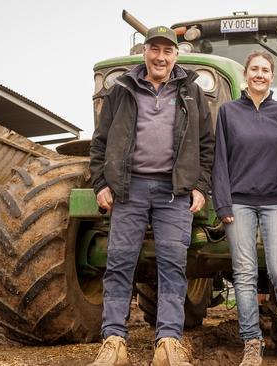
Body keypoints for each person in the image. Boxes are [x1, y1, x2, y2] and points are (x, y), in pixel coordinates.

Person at [88, 25, 214, 366]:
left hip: (174, 192)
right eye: (154, 50)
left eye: (167, 51)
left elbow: (206, 145)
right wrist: (101, 182)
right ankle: (114, 342)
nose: (160, 57)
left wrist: (201, 186)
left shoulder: (191, 91)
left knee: (173, 265)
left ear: (176, 55)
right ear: (144, 52)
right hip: (129, 188)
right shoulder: (122, 90)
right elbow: (100, 141)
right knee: (119, 263)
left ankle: (168, 344)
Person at [212, 51, 277, 366]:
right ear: (245, 75)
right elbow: (219, 160)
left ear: (271, 76)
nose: (260, 74)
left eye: (265, 70)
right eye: (254, 69)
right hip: (239, 202)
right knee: (245, 273)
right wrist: (222, 202)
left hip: (276, 201)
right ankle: (252, 342)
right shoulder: (228, 112)